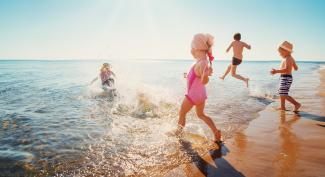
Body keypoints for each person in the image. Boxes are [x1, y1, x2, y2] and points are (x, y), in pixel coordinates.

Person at [177, 33, 221, 143]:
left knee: (182, 112)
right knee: (201, 114)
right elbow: (196, 76)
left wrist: (205, 76)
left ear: (196, 48)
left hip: (193, 95)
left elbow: (204, 81)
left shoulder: (202, 63)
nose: (190, 50)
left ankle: (178, 133)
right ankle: (215, 131)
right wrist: (187, 76)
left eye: (191, 48)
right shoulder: (201, 62)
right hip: (201, 95)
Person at [270, 41, 301, 112]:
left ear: (286, 51)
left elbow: (287, 69)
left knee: (283, 93)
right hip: (285, 77)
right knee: (282, 93)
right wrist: (293, 65)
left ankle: (296, 104)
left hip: (286, 77)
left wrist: (276, 71)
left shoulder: (288, 58)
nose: (279, 54)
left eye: (280, 52)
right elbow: (296, 68)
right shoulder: (289, 58)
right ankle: (282, 107)